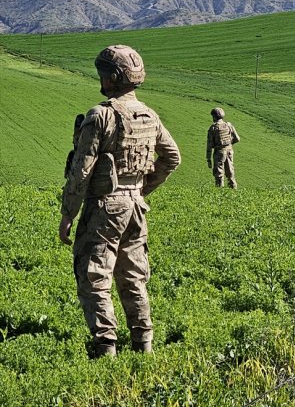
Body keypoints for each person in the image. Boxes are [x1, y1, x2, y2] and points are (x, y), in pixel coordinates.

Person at [58, 45, 181, 358]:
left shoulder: (101, 116)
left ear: (112, 78)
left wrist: (68, 213)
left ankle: (105, 346)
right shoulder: (150, 115)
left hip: (104, 206)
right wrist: (141, 189)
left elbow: (81, 170)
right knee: (133, 275)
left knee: (94, 273)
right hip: (136, 207)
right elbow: (172, 157)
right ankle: (144, 344)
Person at [206, 107, 240, 188]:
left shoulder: (213, 128)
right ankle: (233, 190)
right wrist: (229, 144)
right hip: (229, 151)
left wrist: (208, 159)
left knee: (219, 174)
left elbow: (209, 145)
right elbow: (237, 139)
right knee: (230, 172)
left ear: (214, 116)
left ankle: (219, 192)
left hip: (219, 152)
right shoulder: (228, 125)